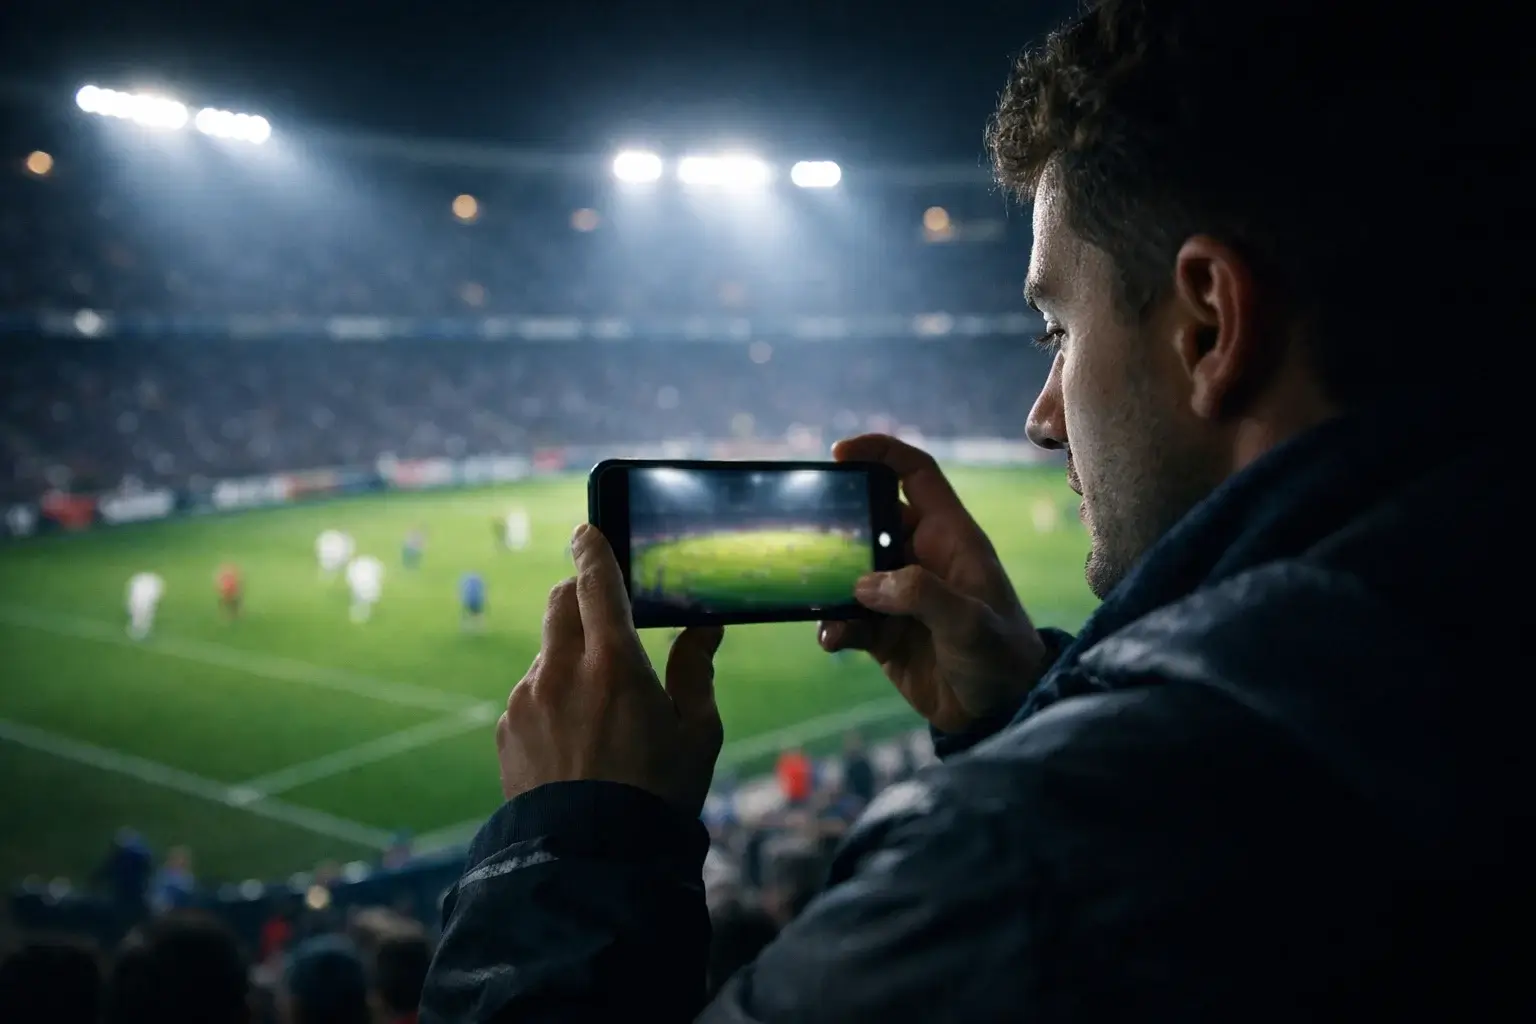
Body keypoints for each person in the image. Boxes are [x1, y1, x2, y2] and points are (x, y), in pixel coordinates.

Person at [420, 2, 1531, 1020]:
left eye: (1057, 332)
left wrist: (572, 851)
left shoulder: (1028, 861)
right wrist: (1028, 709)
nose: (1044, 416)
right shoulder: (1465, 639)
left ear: (1206, 324)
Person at [124, 572, 163, 640]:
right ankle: (138, 629)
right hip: (139, 602)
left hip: (143, 602)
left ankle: (142, 629)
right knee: (139, 611)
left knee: (144, 611)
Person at [345, 555, 384, 624]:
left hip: (361, 587)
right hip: (365, 587)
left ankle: (359, 615)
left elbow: (350, 577)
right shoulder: (369, 565)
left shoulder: (355, 566)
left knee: (359, 601)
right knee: (364, 602)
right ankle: (362, 615)